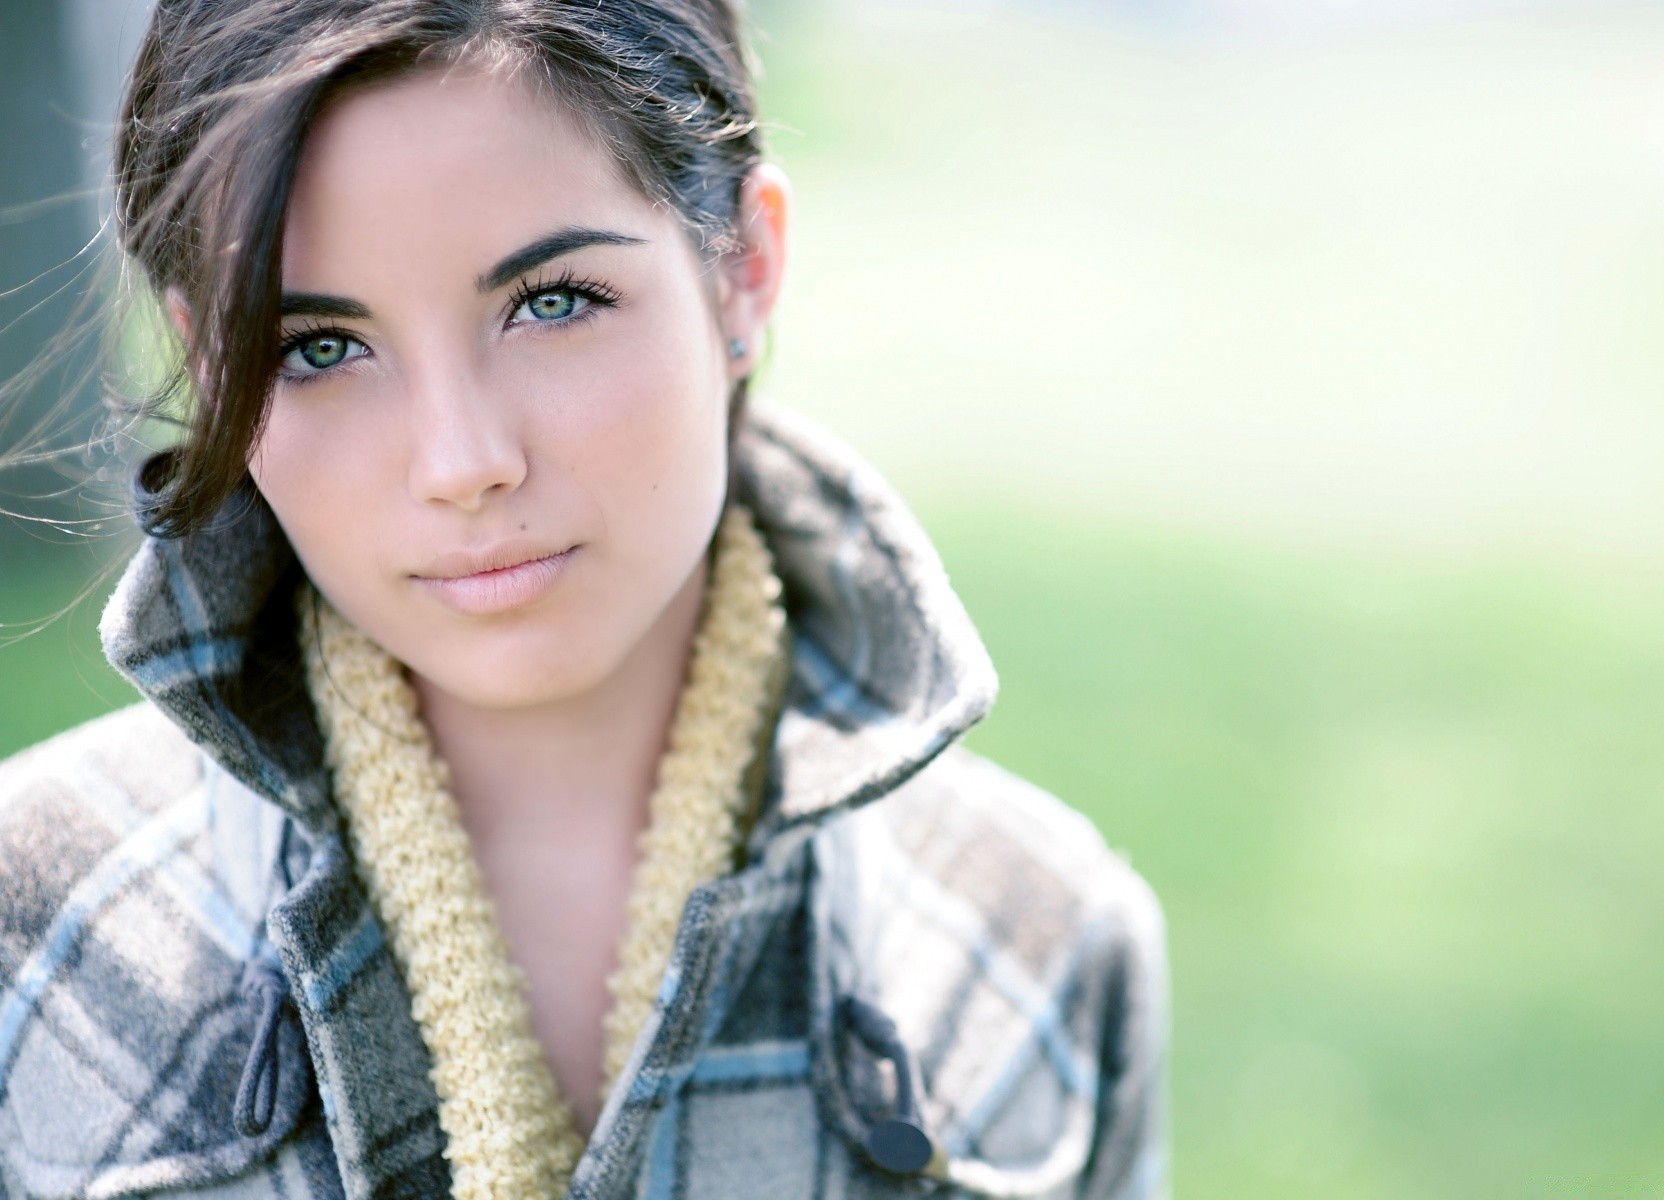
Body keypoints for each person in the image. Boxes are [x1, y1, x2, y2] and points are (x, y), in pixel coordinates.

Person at [0, 1, 1168, 1198]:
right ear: (211, 366)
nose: (460, 461)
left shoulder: (1042, 938)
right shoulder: (29, 924)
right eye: (318, 346)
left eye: (552, 300)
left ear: (745, 273)